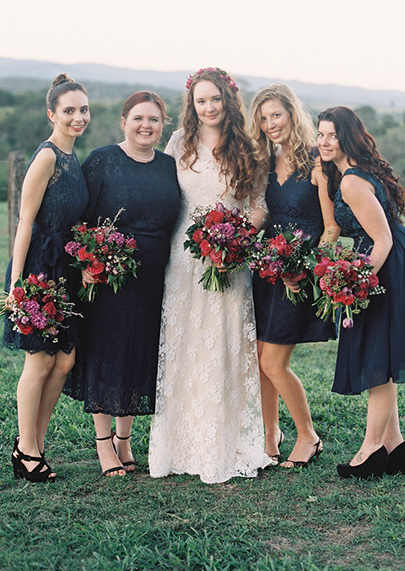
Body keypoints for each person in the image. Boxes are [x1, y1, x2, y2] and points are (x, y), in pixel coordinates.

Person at [148, 67, 273, 484]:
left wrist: (234, 242)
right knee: (185, 343)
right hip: (183, 259)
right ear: (192, 105)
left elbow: (258, 206)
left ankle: (222, 442)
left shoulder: (249, 145)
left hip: (231, 259)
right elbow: (162, 192)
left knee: (222, 345)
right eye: (201, 101)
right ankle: (181, 443)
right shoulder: (179, 142)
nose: (209, 107)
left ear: (228, 99)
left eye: (215, 99)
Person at [316, 106, 405, 479]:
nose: (323, 142)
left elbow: (382, 238)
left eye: (331, 135)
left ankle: (370, 451)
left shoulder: (352, 182)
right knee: (381, 355)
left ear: (347, 137)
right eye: (319, 134)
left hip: (388, 264)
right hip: (389, 260)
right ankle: (394, 445)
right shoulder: (354, 173)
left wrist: (357, 283)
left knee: (379, 361)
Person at [65, 91, 181, 477]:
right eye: (138, 119)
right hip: (109, 277)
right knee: (107, 353)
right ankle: (102, 445)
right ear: (123, 121)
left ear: (163, 125)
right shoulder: (102, 161)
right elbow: (78, 219)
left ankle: (125, 439)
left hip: (152, 280)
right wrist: (85, 262)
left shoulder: (169, 166)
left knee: (138, 354)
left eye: (153, 120)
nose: (146, 126)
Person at [3, 73, 90, 482]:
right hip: (40, 266)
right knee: (39, 360)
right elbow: (25, 222)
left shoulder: (74, 158)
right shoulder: (48, 157)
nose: (78, 117)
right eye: (69, 110)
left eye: (83, 110)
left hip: (65, 270)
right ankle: (27, 449)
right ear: (52, 113)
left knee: (65, 359)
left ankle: (33, 443)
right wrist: (17, 285)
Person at [249, 84, 338, 468]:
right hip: (267, 269)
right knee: (258, 359)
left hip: (299, 273)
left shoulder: (318, 162)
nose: (270, 124)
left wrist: (305, 266)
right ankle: (271, 435)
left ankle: (308, 436)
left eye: (276, 115)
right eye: (263, 118)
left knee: (274, 362)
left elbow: (331, 228)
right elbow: (262, 216)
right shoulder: (265, 162)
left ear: (291, 113)